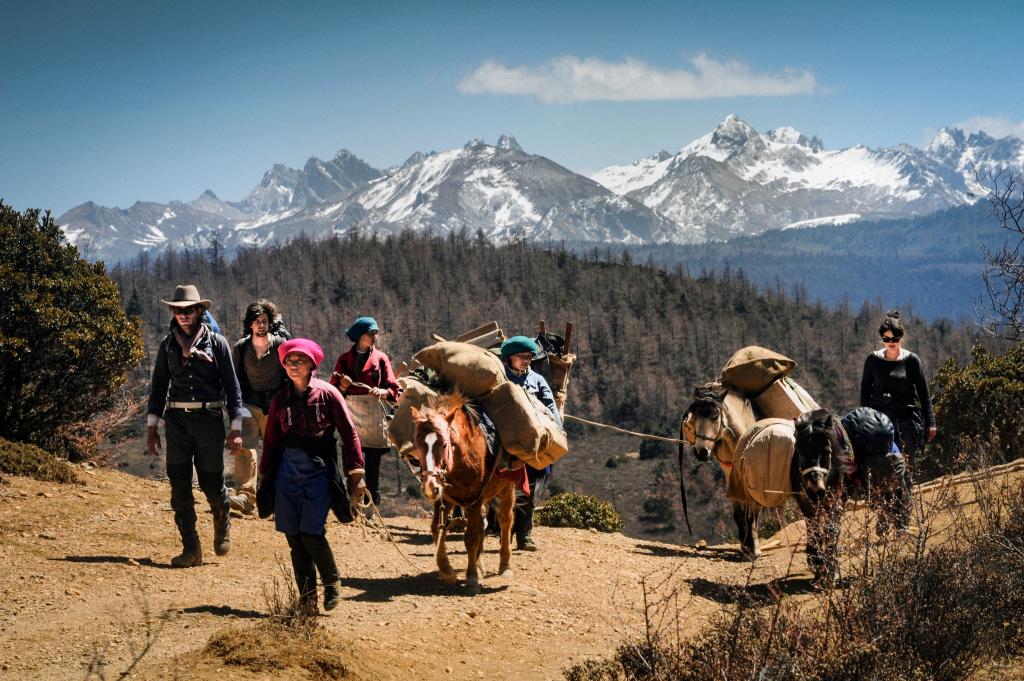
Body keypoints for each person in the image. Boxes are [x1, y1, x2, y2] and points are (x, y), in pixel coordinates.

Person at [259, 338, 365, 613]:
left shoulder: (328, 394)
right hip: (286, 473)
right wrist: (264, 476)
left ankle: (332, 582)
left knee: (311, 533)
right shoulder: (280, 400)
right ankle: (307, 600)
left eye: (300, 361)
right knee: (294, 538)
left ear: (312, 365)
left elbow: (349, 433)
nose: (294, 366)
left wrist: (357, 473)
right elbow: (270, 441)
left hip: (318, 472)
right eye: (289, 362)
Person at [146, 284, 244, 567]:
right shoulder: (167, 346)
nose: (183, 315)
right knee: (179, 486)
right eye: (178, 310)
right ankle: (191, 548)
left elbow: (233, 388)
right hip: (177, 421)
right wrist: (153, 427)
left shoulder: (218, 344)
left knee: (212, 483)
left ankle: (222, 516)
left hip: (209, 421)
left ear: (199, 311)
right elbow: (158, 387)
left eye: (188, 310)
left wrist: (235, 427)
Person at [329, 316, 400, 512]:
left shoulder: (381, 358)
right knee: (352, 468)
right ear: (360, 336)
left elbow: (393, 387)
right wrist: (342, 387)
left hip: (374, 415)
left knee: (372, 471)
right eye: (371, 333)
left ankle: (371, 511)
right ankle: (353, 508)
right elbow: (333, 391)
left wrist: (383, 392)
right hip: (351, 415)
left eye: (376, 333)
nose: (374, 337)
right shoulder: (344, 360)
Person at [500, 335, 562, 551]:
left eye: (529, 357)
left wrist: (558, 431)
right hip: (504, 442)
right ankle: (503, 531)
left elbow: (551, 408)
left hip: (532, 444)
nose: (526, 360)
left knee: (528, 491)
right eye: (522, 357)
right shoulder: (499, 378)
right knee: (501, 489)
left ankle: (524, 536)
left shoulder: (537, 380)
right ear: (509, 358)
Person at [228, 300, 289, 514]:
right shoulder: (241, 348)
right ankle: (245, 496)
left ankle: (280, 499)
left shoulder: (281, 345)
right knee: (246, 450)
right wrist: (234, 411)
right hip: (249, 404)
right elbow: (233, 380)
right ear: (250, 325)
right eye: (256, 322)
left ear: (269, 323)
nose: (261, 325)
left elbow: (291, 376)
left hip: (276, 406)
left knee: (278, 453)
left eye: (264, 321)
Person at [859, 310, 937, 462]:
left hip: (907, 421)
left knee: (907, 465)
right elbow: (865, 391)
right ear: (882, 339)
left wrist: (931, 423)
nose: (890, 342)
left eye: (894, 338)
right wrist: (865, 420)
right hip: (880, 421)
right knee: (884, 464)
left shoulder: (912, 360)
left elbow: (924, 393)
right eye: (886, 339)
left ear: (901, 337)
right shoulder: (873, 360)